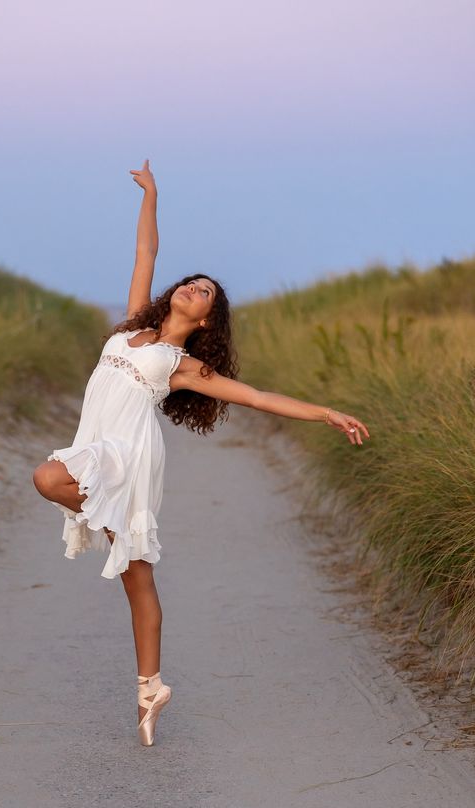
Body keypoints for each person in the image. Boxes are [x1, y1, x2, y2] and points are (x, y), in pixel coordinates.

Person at [32, 159, 370, 747]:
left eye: (205, 292)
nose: (194, 287)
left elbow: (257, 396)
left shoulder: (184, 366)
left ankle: (106, 509)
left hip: (126, 455)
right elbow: (146, 255)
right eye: (192, 282)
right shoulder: (135, 323)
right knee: (138, 580)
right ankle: (150, 687)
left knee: (47, 476)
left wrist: (325, 412)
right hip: (96, 445)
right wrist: (152, 196)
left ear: (207, 317)